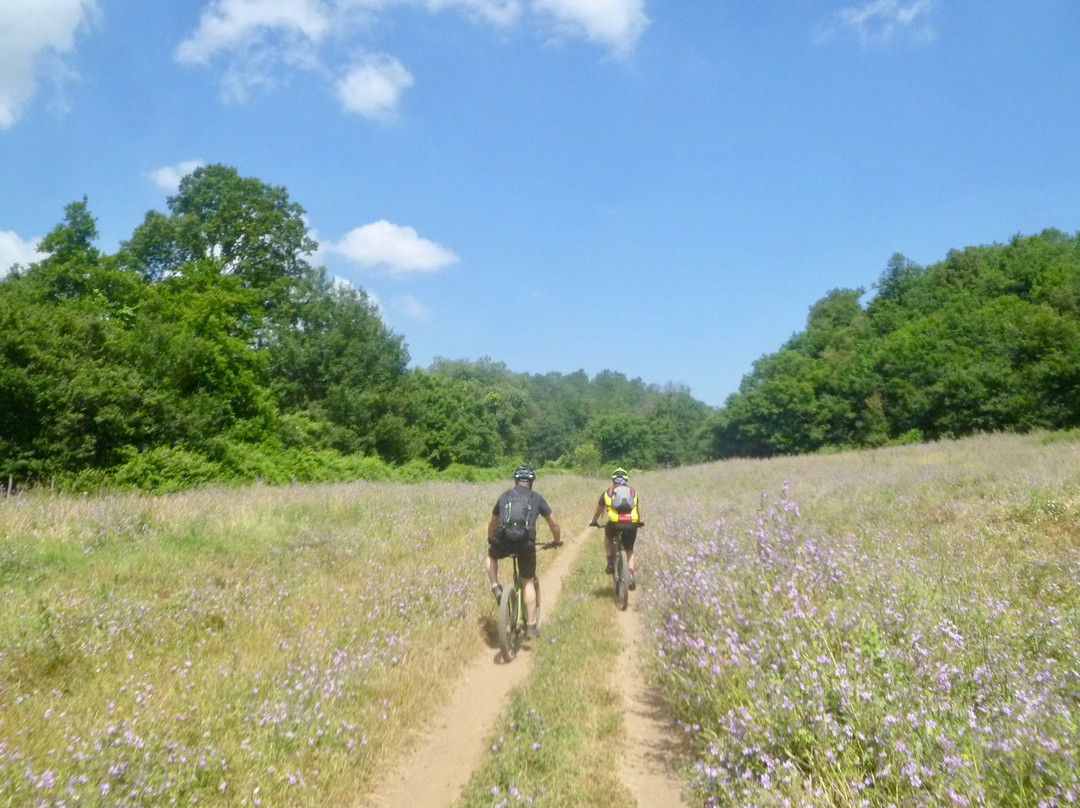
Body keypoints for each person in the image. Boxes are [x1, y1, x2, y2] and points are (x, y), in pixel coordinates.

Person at [486, 465, 562, 639]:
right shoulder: (536, 498)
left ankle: (495, 586)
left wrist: (491, 538)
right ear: (531, 482)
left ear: (515, 480)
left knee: (490, 556)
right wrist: (556, 540)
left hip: (503, 539)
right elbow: (553, 523)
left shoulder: (504, 496)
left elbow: (493, 522)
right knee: (528, 582)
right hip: (525, 543)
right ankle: (531, 626)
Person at [589, 467, 644, 590]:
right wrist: (638, 522)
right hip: (632, 523)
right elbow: (636, 509)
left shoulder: (607, 492)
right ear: (626, 480)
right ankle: (630, 575)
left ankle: (609, 562)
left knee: (608, 537)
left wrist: (594, 522)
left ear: (613, 480)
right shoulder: (633, 492)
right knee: (629, 549)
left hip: (614, 523)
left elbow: (598, 511)